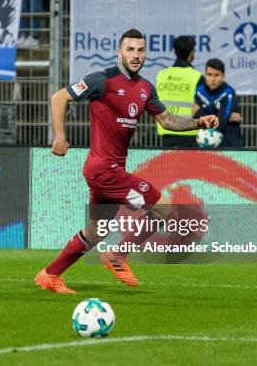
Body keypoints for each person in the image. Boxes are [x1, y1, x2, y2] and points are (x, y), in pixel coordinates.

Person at [33, 28, 219, 294]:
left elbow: (167, 120)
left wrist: (199, 122)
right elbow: (59, 97)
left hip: (108, 171)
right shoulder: (102, 80)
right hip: (104, 171)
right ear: (119, 51)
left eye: (141, 50)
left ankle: (49, 275)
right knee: (164, 209)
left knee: (95, 232)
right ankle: (118, 255)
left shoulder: (145, 88)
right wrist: (60, 136)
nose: (136, 55)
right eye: (130, 49)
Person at [155, 35, 204, 148]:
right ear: (191, 53)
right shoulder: (197, 77)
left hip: (167, 130)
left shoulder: (161, 75)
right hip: (190, 131)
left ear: (175, 52)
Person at [193, 58, 245, 147]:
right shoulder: (199, 91)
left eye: (217, 75)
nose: (212, 79)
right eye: (209, 75)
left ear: (223, 76)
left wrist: (199, 112)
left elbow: (220, 123)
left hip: (231, 143)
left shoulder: (228, 92)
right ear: (205, 75)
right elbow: (197, 117)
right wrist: (228, 117)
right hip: (207, 143)